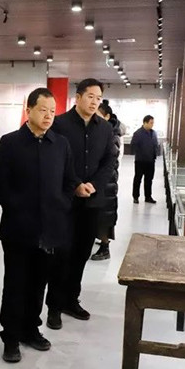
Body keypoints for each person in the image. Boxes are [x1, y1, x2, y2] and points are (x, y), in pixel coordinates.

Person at [0, 88, 79, 363]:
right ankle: (11, 336)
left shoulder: (61, 144)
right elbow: (0, 184)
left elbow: (69, 181)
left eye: (53, 111)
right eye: (43, 110)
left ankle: (31, 329)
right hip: (18, 228)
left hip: (50, 228)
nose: (49, 116)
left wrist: (61, 205)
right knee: (15, 283)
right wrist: (17, 209)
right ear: (28, 110)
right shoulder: (10, 143)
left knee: (38, 282)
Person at [46, 78, 116, 328]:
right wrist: (75, 184)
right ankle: (54, 306)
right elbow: (53, 159)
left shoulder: (105, 128)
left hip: (92, 202)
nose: (95, 102)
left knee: (81, 253)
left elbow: (109, 160)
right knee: (61, 254)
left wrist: (94, 184)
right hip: (65, 201)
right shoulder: (60, 124)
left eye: (99, 98)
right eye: (90, 96)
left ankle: (70, 300)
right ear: (78, 97)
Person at [91, 103, 122, 261]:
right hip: (97, 181)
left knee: (104, 216)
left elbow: (110, 161)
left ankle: (105, 247)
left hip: (106, 182)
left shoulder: (111, 134)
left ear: (107, 117)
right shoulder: (98, 130)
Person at [131, 115, 159, 204]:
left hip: (151, 161)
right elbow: (133, 146)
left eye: (153, 123)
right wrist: (141, 152)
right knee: (138, 179)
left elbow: (155, 145)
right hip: (140, 161)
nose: (152, 125)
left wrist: (155, 154)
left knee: (149, 180)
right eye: (151, 123)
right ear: (145, 123)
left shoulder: (153, 133)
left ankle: (148, 196)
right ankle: (136, 196)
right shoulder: (138, 133)